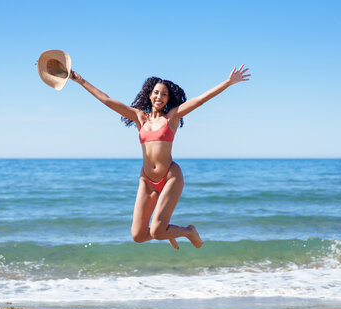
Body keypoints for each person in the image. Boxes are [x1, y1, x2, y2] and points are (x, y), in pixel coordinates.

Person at [69, 65, 250, 250]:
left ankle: (187, 231)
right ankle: (168, 232)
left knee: (156, 231)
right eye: (156, 93)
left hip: (170, 176)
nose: (159, 97)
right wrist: (81, 80)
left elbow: (199, 100)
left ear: (168, 99)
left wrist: (228, 82)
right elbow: (107, 100)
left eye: (164, 95)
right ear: (149, 94)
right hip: (147, 180)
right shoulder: (139, 117)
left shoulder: (171, 117)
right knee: (138, 236)